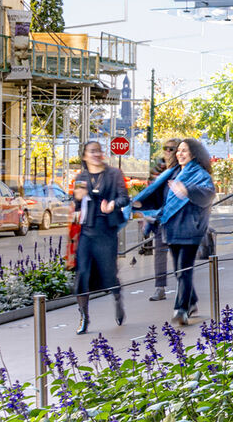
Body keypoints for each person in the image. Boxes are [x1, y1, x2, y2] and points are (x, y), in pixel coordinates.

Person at [135, 137, 216, 326]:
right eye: (177, 150)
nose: (179, 153)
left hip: (190, 229)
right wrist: (143, 208)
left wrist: (187, 190)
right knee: (180, 271)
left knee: (184, 270)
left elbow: (208, 193)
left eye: (184, 150)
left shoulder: (200, 174)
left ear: (194, 154)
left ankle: (181, 309)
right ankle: (192, 301)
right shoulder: (171, 173)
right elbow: (158, 197)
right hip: (171, 228)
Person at [70, 138, 129, 334]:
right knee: (82, 275)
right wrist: (77, 202)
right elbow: (77, 202)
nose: (95, 154)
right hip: (87, 231)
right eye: (91, 151)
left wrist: (113, 204)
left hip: (106, 230)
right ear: (85, 156)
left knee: (109, 274)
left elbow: (124, 197)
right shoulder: (82, 176)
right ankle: (83, 316)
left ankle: (117, 298)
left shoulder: (113, 174)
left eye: (98, 151)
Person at [142, 139, 179, 301]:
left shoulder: (184, 169)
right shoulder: (158, 167)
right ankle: (160, 287)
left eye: (171, 149)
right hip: (160, 218)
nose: (167, 152)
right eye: (166, 149)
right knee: (160, 253)